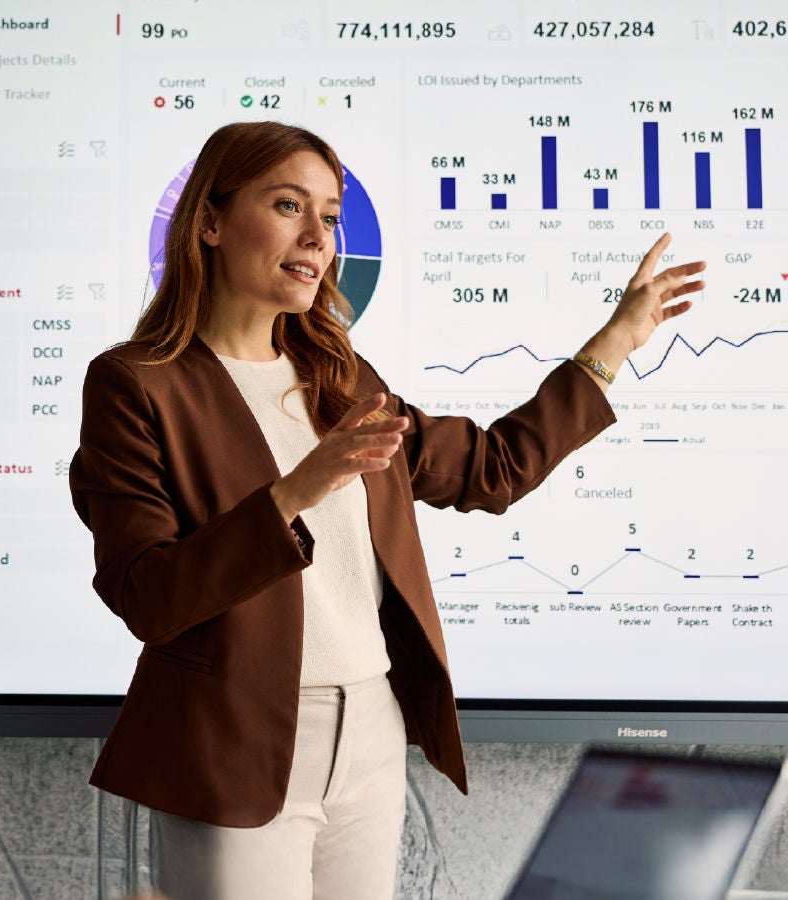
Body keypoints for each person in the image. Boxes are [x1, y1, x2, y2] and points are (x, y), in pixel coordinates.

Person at [68, 122, 705, 900]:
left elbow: (492, 469)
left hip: (370, 731)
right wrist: (295, 491)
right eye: (287, 205)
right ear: (209, 221)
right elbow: (147, 594)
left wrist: (617, 340)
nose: (318, 236)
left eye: (331, 216)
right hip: (235, 739)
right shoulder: (136, 385)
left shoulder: (340, 376)